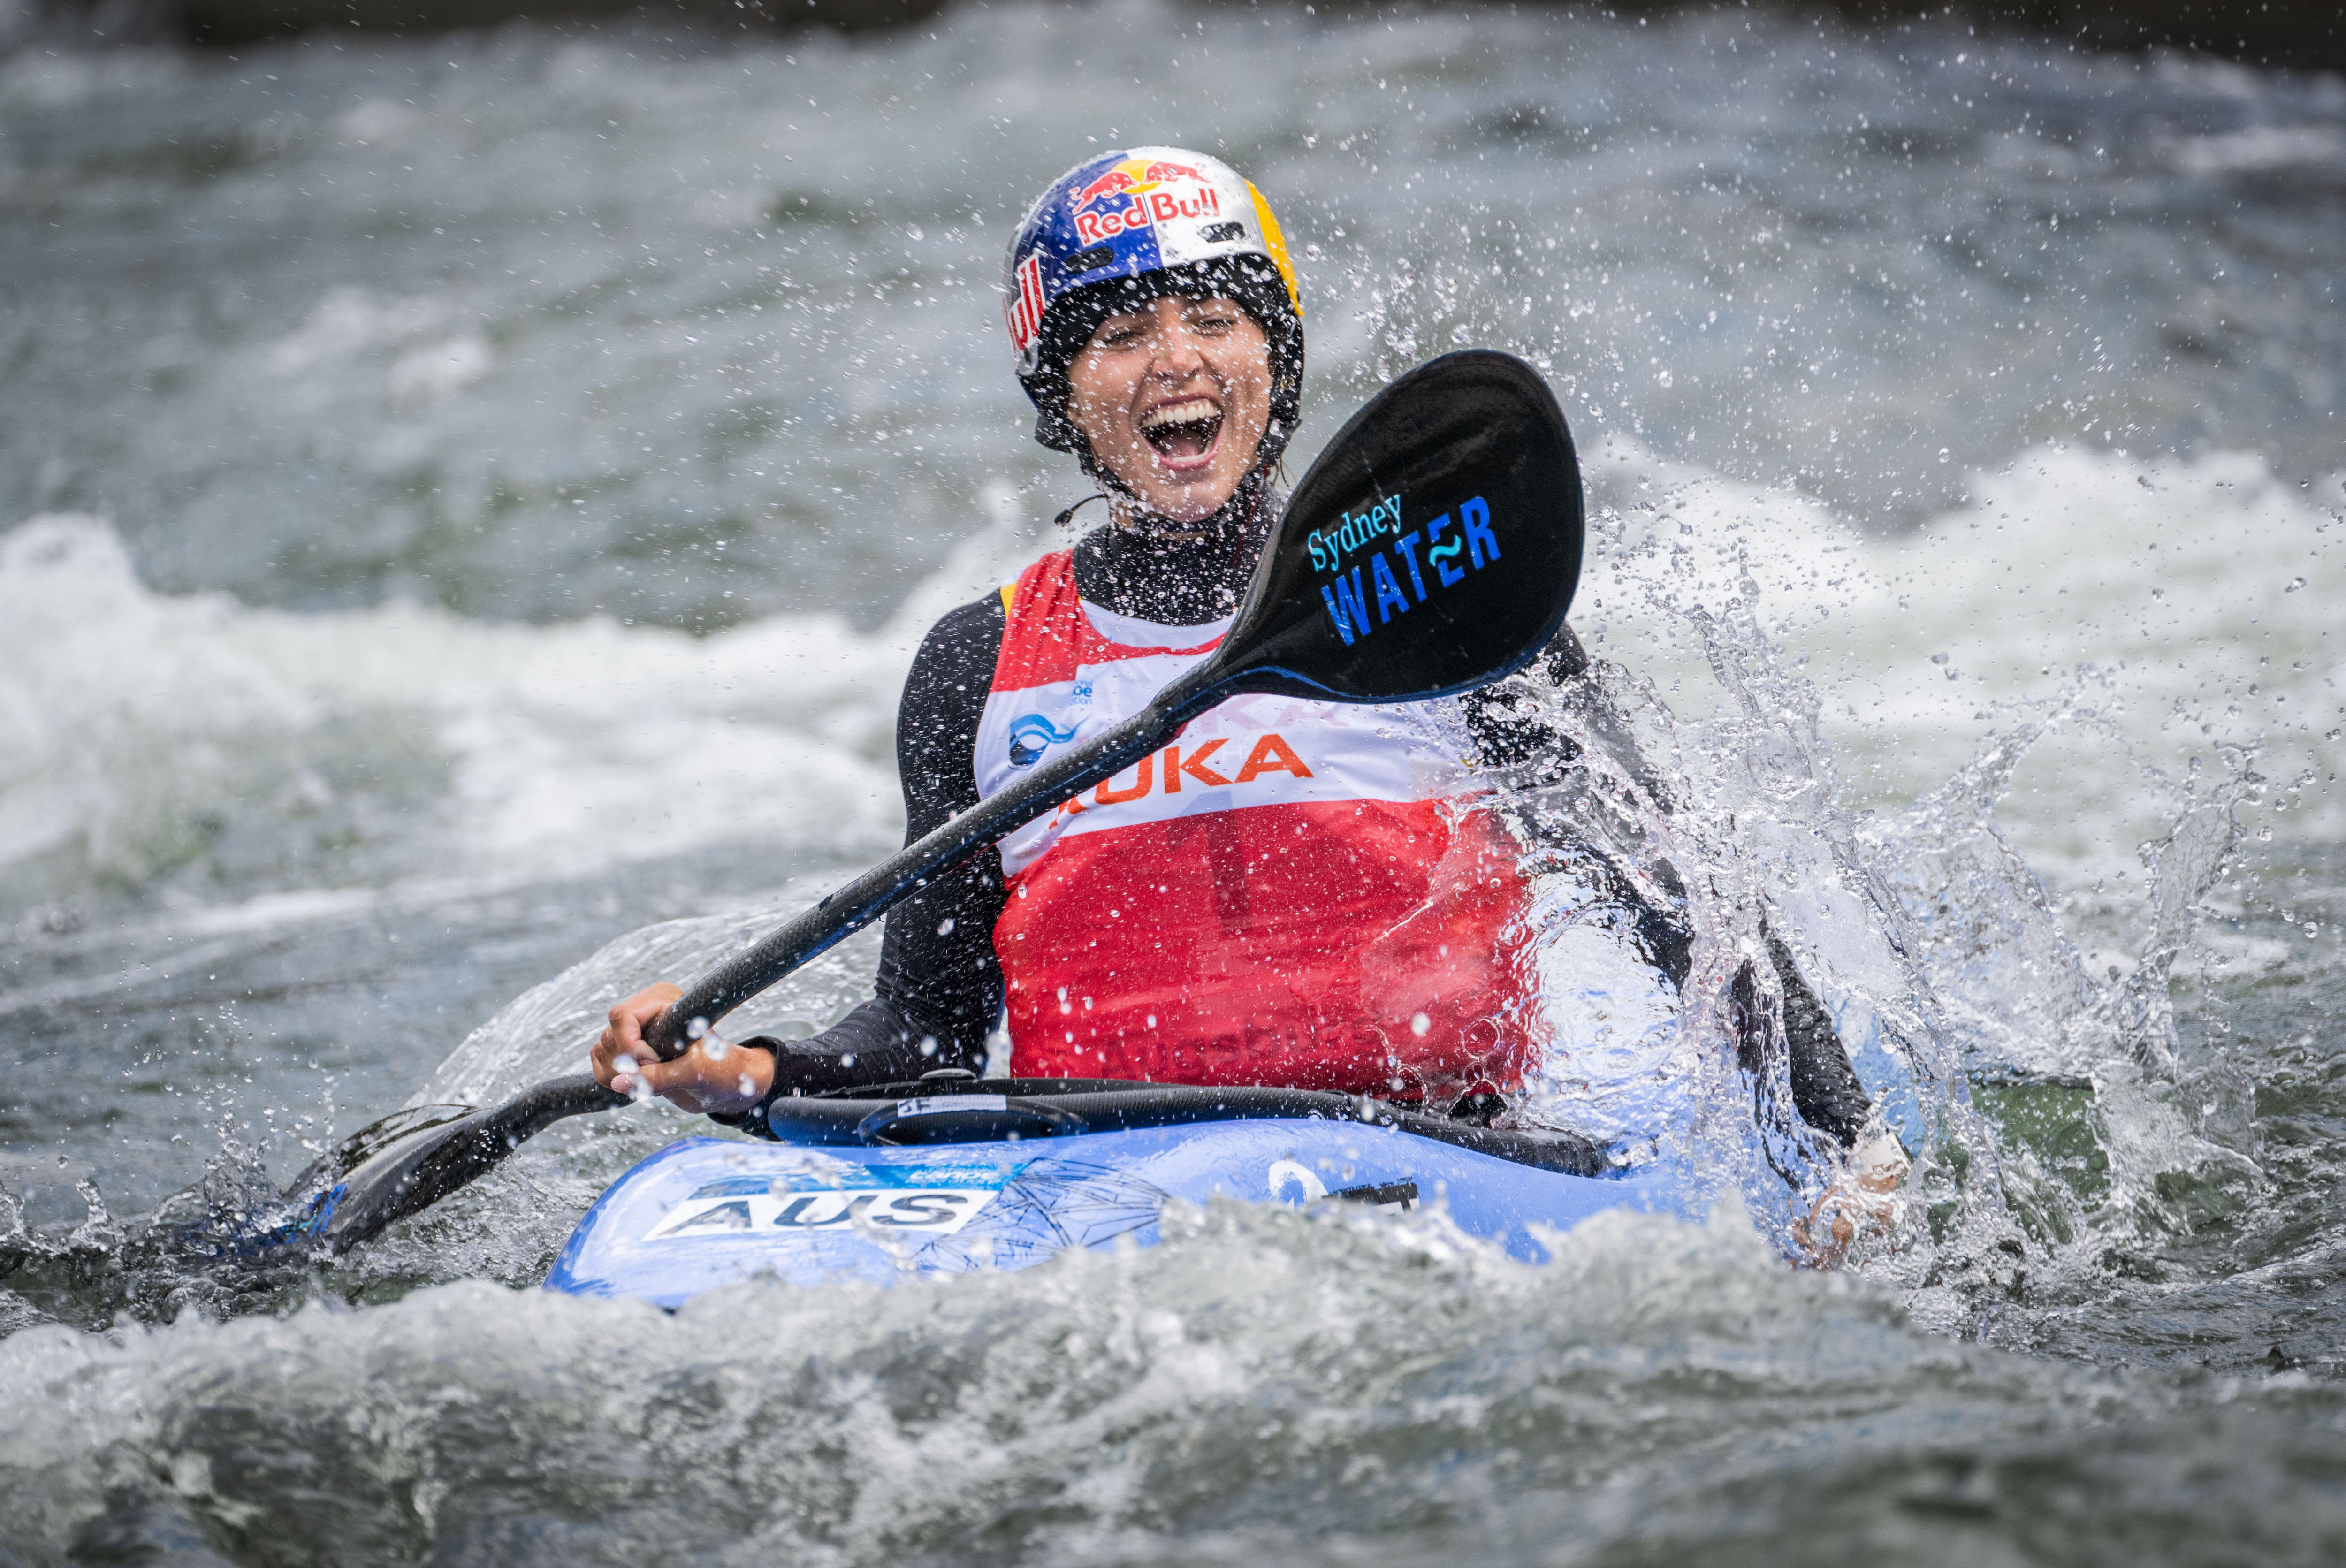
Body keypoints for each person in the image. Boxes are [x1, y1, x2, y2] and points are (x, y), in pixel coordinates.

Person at [591, 148, 1885, 1195]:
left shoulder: (1436, 596)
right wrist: (748, 1071)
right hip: (1090, 1176)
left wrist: (1846, 1147)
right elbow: (924, 1037)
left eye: (1216, 317)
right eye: (1123, 333)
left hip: (1447, 1155)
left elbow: (1679, 905)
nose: (1178, 362)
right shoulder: (975, 665)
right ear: (1062, 391)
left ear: (1275, 364)